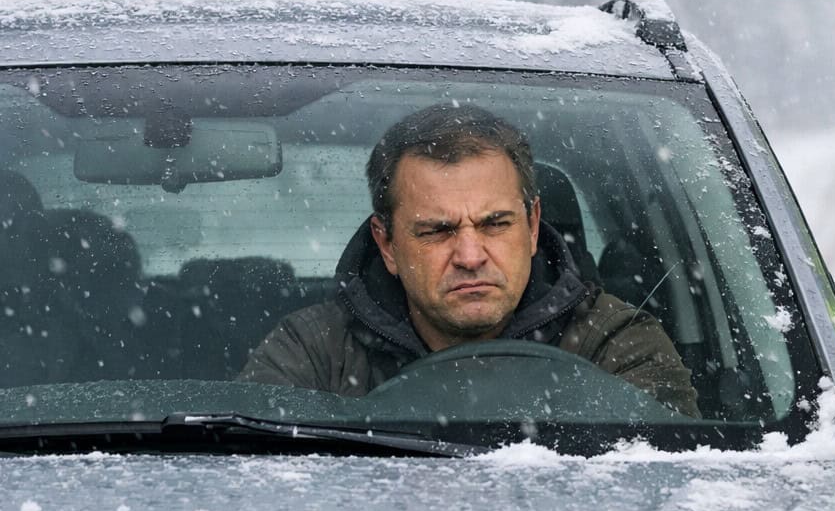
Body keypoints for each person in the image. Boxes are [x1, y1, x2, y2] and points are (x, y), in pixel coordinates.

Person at [242, 103, 698, 416]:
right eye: (437, 231)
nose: (470, 255)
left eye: (495, 224)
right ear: (387, 245)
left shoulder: (614, 347)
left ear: (533, 225)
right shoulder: (315, 354)